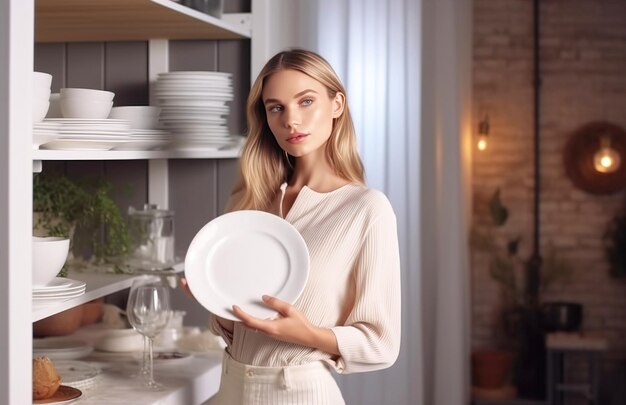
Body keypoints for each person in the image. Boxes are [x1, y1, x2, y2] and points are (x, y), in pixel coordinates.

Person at [195, 48, 401, 405]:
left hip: (299, 394)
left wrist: (308, 334)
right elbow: (238, 331)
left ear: (337, 104)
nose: (291, 120)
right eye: (276, 107)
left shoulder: (366, 209)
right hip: (230, 387)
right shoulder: (249, 199)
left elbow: (381, 345)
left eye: (306, 101)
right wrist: (214, 300)